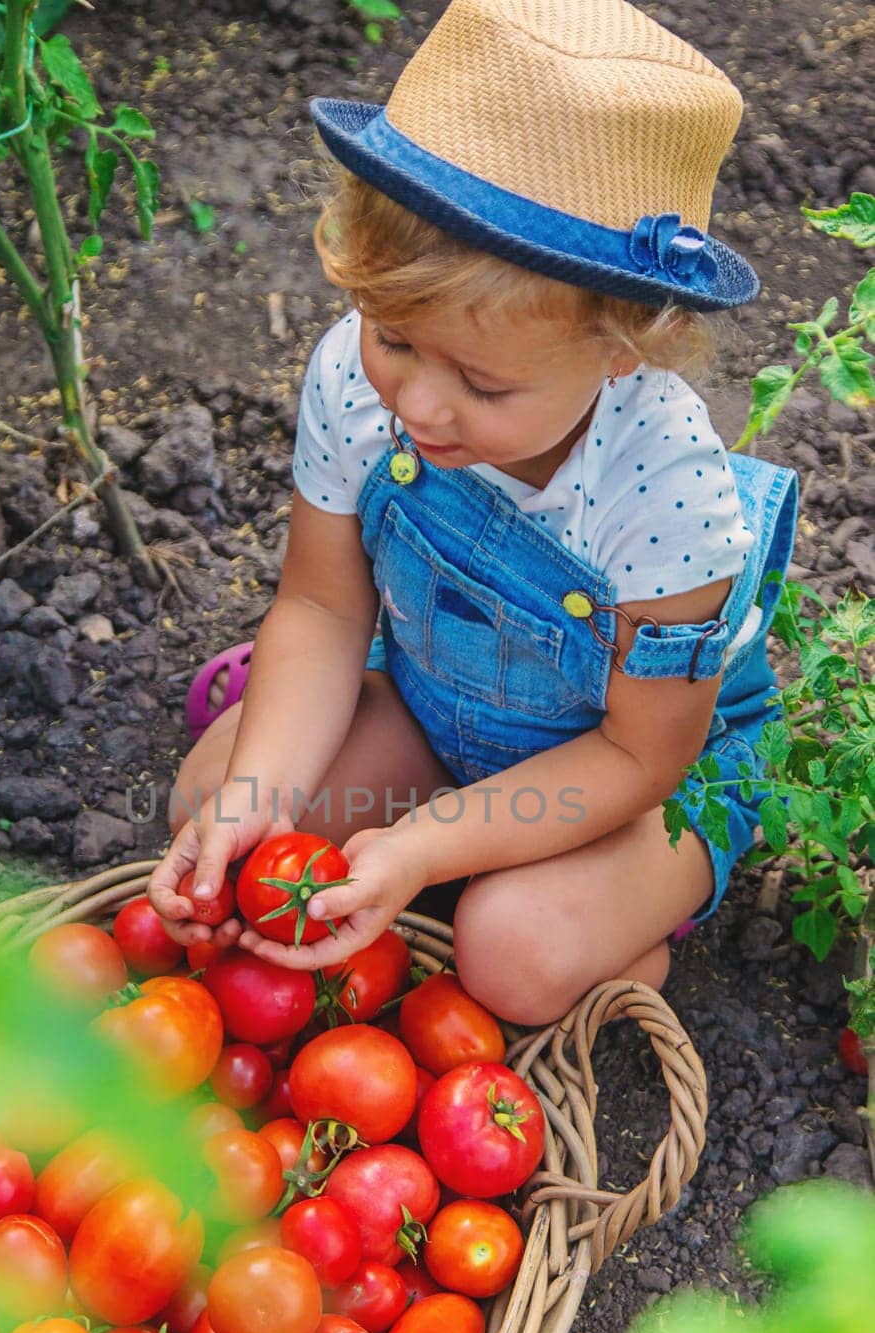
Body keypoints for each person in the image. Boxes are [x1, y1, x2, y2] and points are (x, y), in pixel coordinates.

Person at [148, 0, 797, 1026]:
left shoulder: (664, 494)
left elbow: (638, 755)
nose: (414, 405)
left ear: (624, 344)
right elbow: (320, 611)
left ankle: (631, 920)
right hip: (434, 701)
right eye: (393, 339)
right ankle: (389, 782)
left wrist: (419, 846)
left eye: (482, 387)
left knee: (506, 953)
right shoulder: (354, 380)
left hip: (635, 772)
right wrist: (253, 797)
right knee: (214, 808)